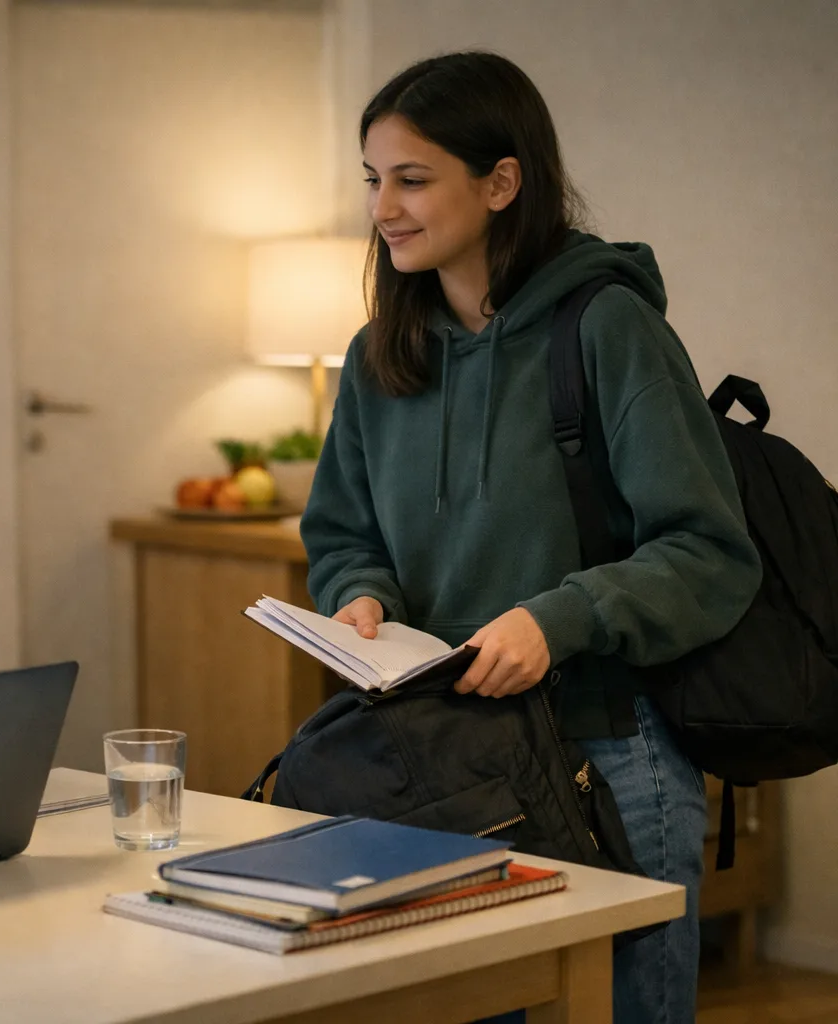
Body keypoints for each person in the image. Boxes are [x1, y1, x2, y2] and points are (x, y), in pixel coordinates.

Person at [301, 52, 760, 1024]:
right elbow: (341, 531)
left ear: (502, 181)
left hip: (605, 760)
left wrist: (557, 619)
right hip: (438, 761)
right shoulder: (380, 352)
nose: (384, 206)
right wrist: (360, 592)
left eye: (412, 178)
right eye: (373, 179)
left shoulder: (607, 329)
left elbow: (709, 553)